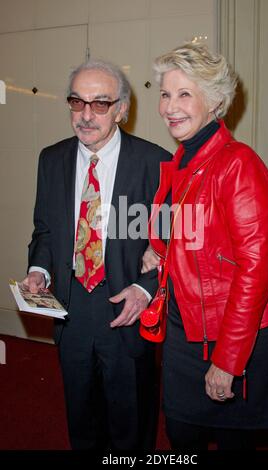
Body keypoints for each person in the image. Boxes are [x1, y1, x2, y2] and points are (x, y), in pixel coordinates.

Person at [141, 41, 268, 450]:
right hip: (186, 327)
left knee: (231, 442)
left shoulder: (238, 163)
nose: (170, 106)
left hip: (231, 333)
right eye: (166, 93)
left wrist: (227, 360)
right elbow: (195, 235)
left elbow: (255, 270)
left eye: (185, 94)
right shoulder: (183, 161)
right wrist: (160, 250)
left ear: (216, 101)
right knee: (181, 433)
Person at [22, 59, 171, 450]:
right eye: (77, 102)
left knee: (130, 420)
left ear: (122, 109)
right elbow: (46, 231)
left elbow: (170, 243)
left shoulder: (155, 164)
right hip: (70, 308)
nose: (86, 115)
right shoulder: (51, 160)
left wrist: (144, 287)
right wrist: (40, 268)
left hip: (125, 305)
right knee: (81, 416)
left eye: (100, 104)